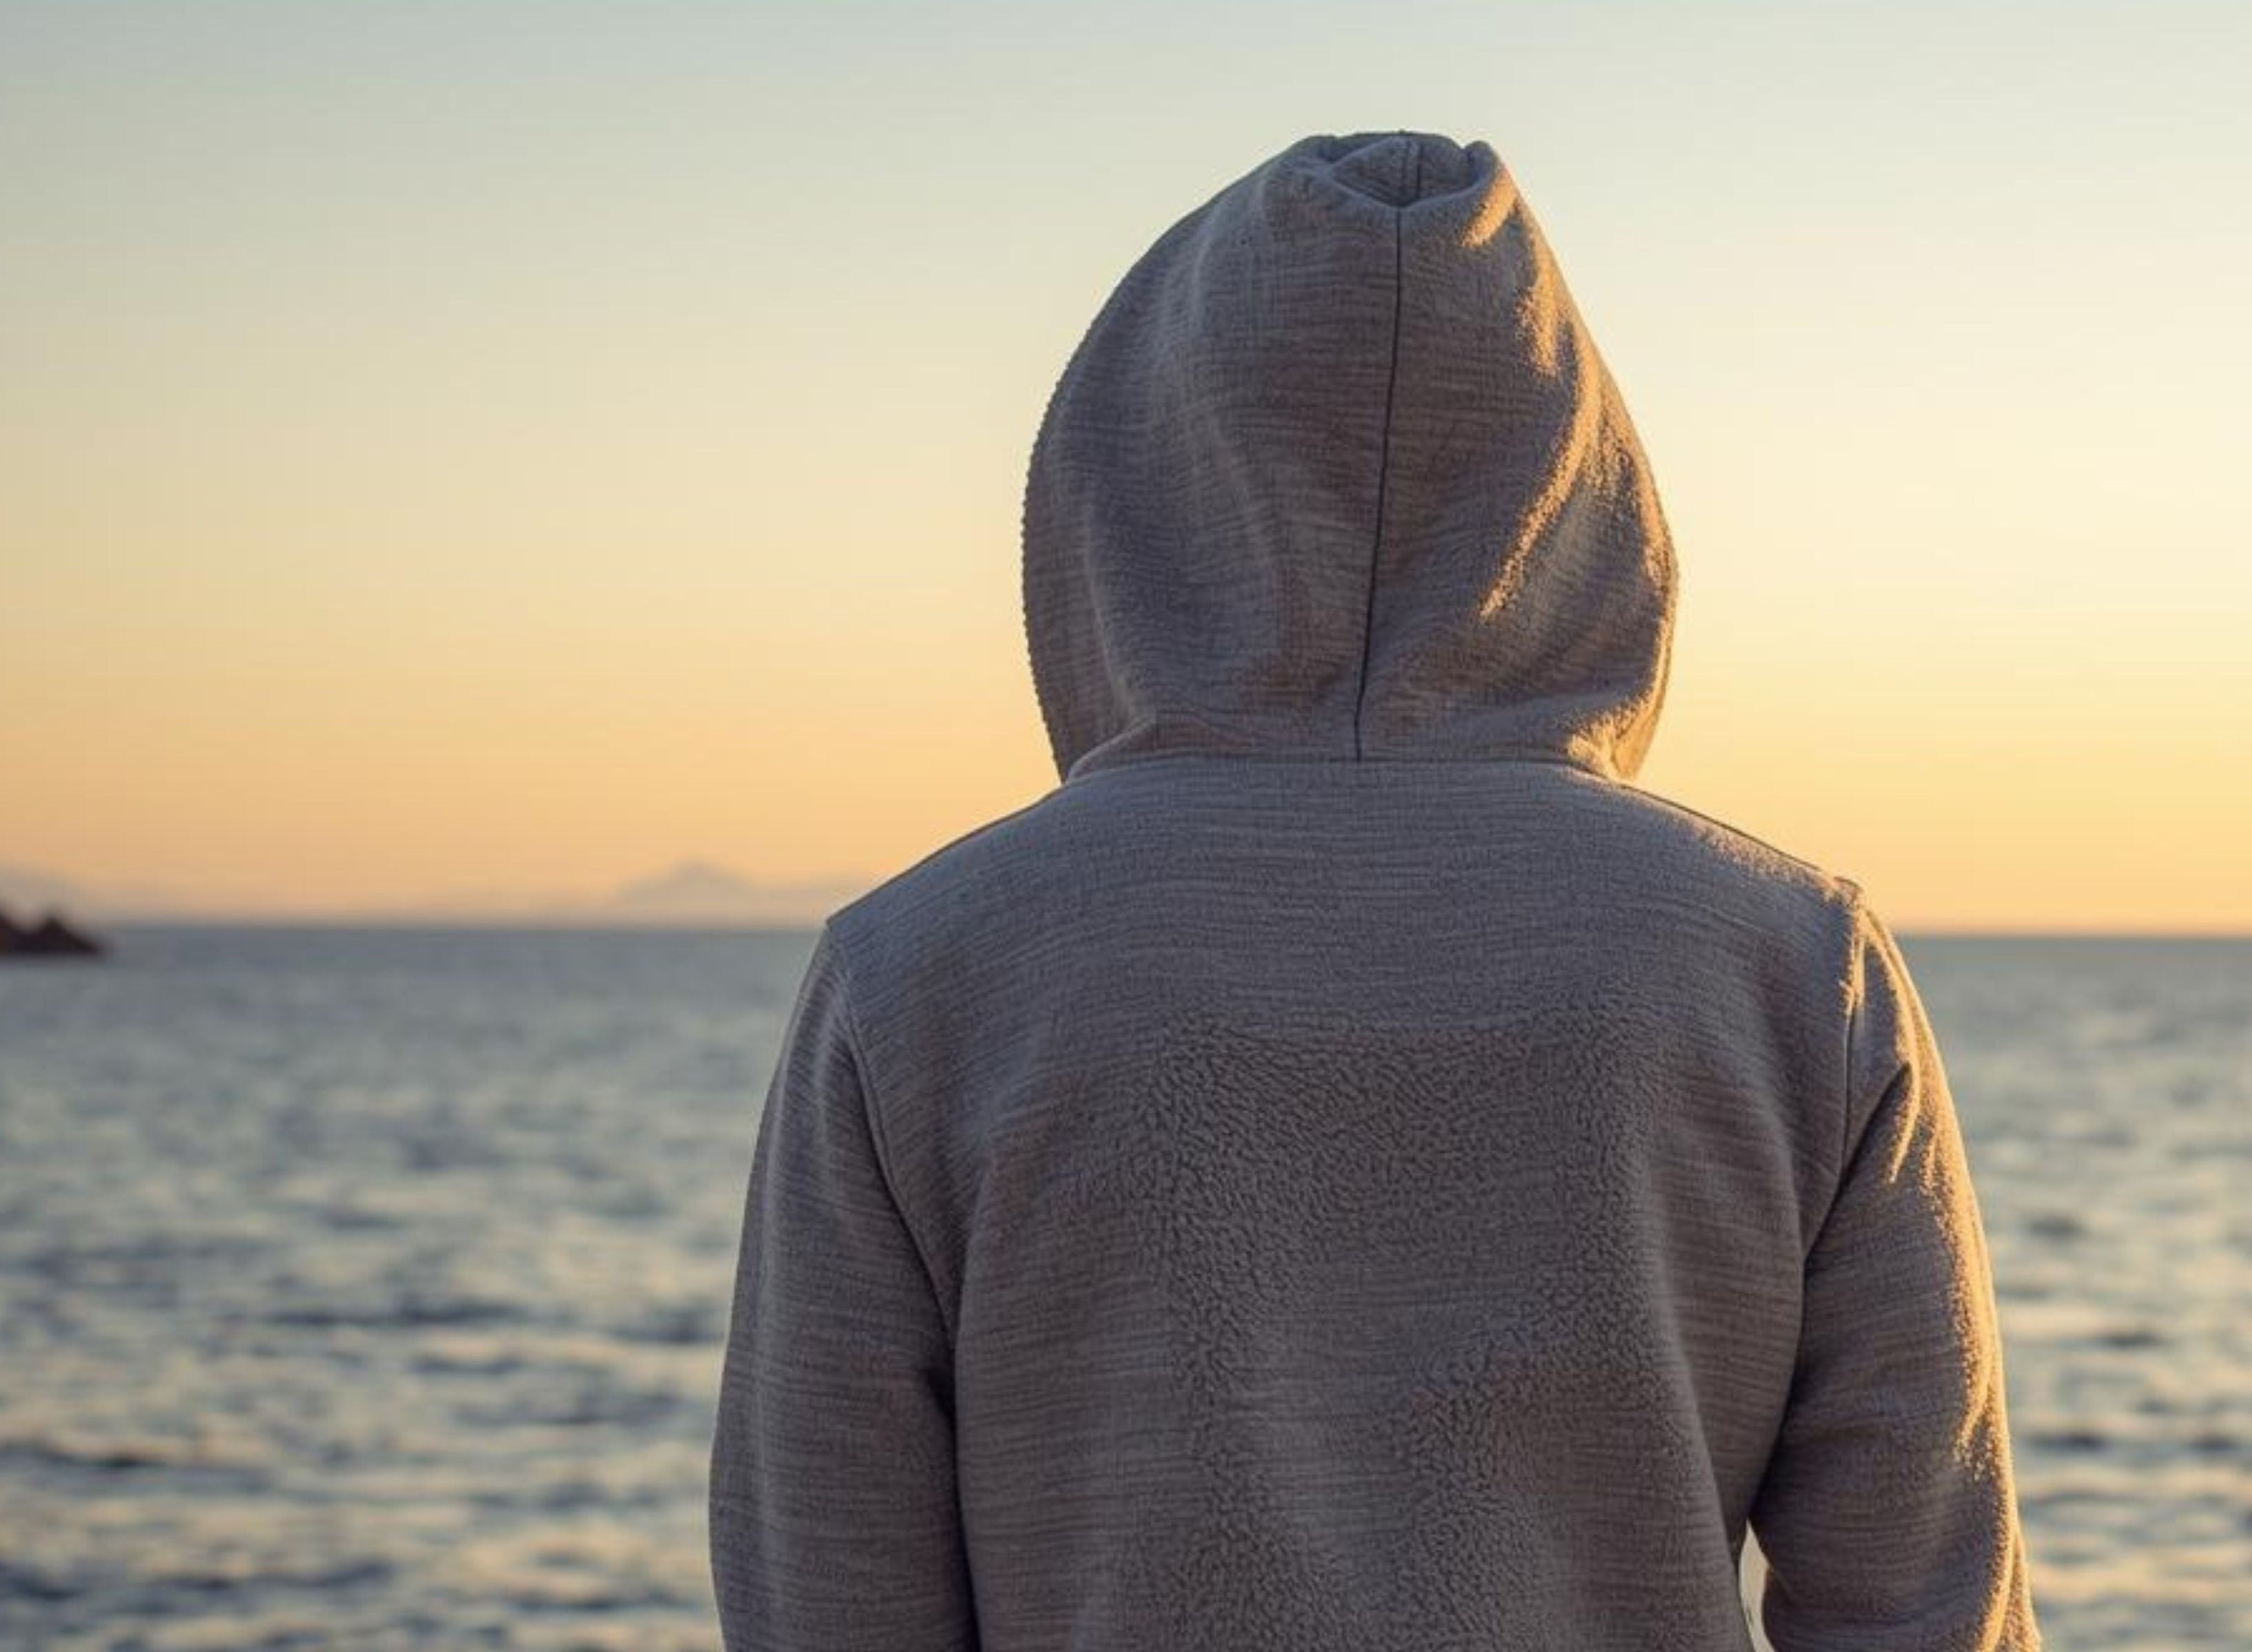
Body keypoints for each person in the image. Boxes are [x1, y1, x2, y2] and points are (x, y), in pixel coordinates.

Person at [708, 128, 2039, 1651]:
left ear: (1127, 474)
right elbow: (1923, 1607)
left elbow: (826, 1595)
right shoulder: (1795, 967)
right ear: (1585, 484)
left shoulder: (920, 972)